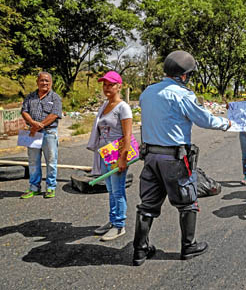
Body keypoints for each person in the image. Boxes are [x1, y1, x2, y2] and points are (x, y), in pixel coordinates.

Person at [133, 50, 232, 266]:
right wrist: (226, 123)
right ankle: (189, 246)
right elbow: (204, 120)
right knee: (187, 202)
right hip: (174, 159)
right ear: (184, 75)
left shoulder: (147, 92)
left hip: (150, 157)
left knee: (147, 205)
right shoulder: (182, 95)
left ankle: (139, 250)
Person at [86, 71, 132, 241]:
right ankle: (113, 220)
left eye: (111, 84)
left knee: (118, 191)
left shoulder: (123, 107)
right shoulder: (104, 105)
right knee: (111, 190)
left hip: (117, 153)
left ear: (119, 86)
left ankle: (119, 225)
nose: (107, 88)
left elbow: (127, 135)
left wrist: (123, 158)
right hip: (104, 153)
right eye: (104, 84)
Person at [20, 72, 62, 199]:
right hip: (32, 133)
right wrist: (32, 123)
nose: (44, 83)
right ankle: (34, 188)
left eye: (47, 81)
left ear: (51, 83)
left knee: (51, 161)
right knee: (33, 161)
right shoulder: (30, 97)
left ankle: (50, 187)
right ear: (37, 82)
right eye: (42, 80)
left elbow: (54, 114)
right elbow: (24, 111)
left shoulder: (55, 97)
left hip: (49, 133)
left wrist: (39, 126)